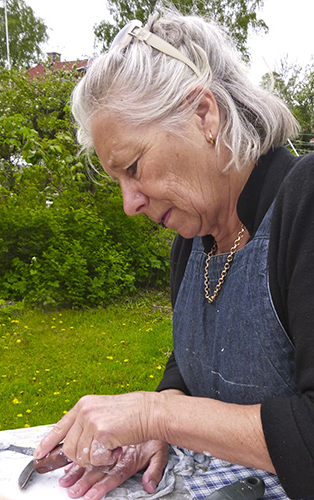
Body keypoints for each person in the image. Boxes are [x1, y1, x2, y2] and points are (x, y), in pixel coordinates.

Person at [34, 8, 314, 500]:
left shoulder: (306, 204)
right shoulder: (193, 242)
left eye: (134, 167)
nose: (129, 204)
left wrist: (155, 413)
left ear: (203, 113)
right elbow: (192, 361)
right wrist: (158, 422)